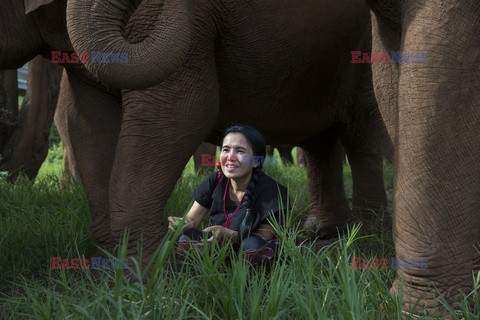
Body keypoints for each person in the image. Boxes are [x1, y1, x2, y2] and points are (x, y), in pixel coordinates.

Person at [168, 124, 289, 268]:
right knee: (186, 239)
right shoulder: (215, 180)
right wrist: (182, 223)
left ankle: (252, 285)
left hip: (251, 248)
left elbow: (263, 237)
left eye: (240, 151)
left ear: (256, 161)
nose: (230, 157)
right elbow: (192, 220)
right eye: (226, 150)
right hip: (221, 248)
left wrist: (228, 234)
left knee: (253, 248)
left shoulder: (272, 190)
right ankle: (202, 279)